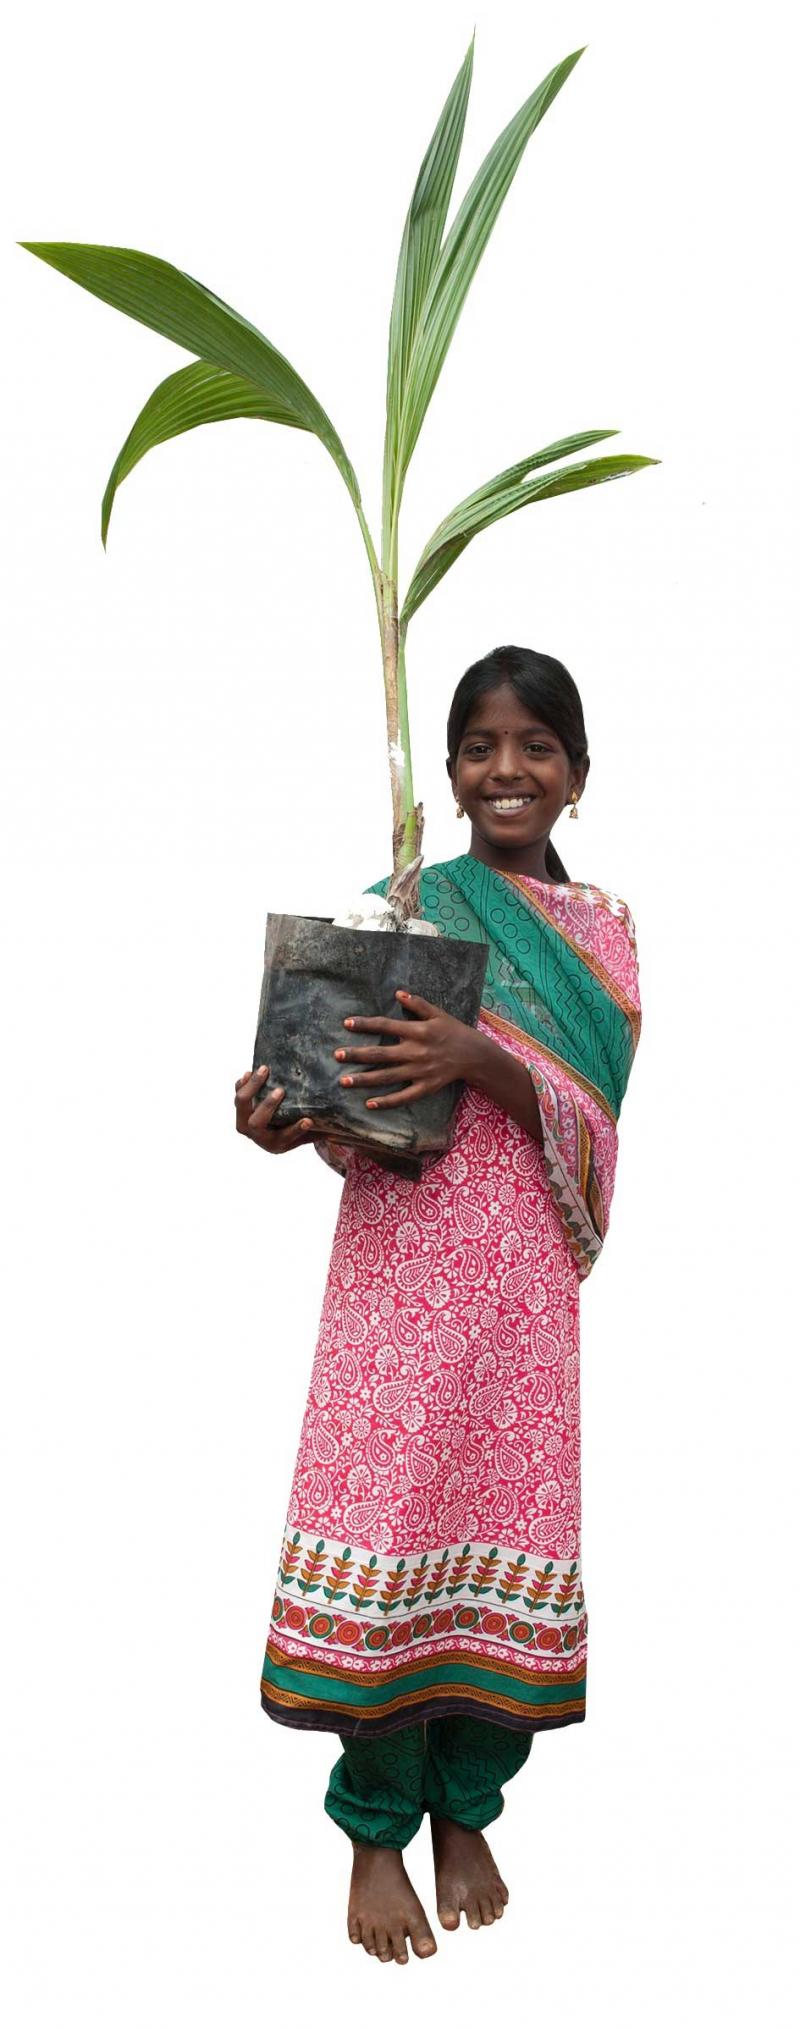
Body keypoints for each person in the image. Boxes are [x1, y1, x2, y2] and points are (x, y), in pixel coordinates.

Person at [235, 644, 641, 1964]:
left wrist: (483, 1055)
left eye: (537, 746)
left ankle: (467, 1811)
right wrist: (282, 1117)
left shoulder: (602, 933)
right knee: (390, 1532)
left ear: (579, 774)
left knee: (497, 1529)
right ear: (450, 769)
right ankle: (374, 1832)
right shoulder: (398, 909)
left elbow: (598, 1122)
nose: (506, 768)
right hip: (399, 1275)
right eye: (480, 746)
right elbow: (346, 1097)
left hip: (520, 1283)